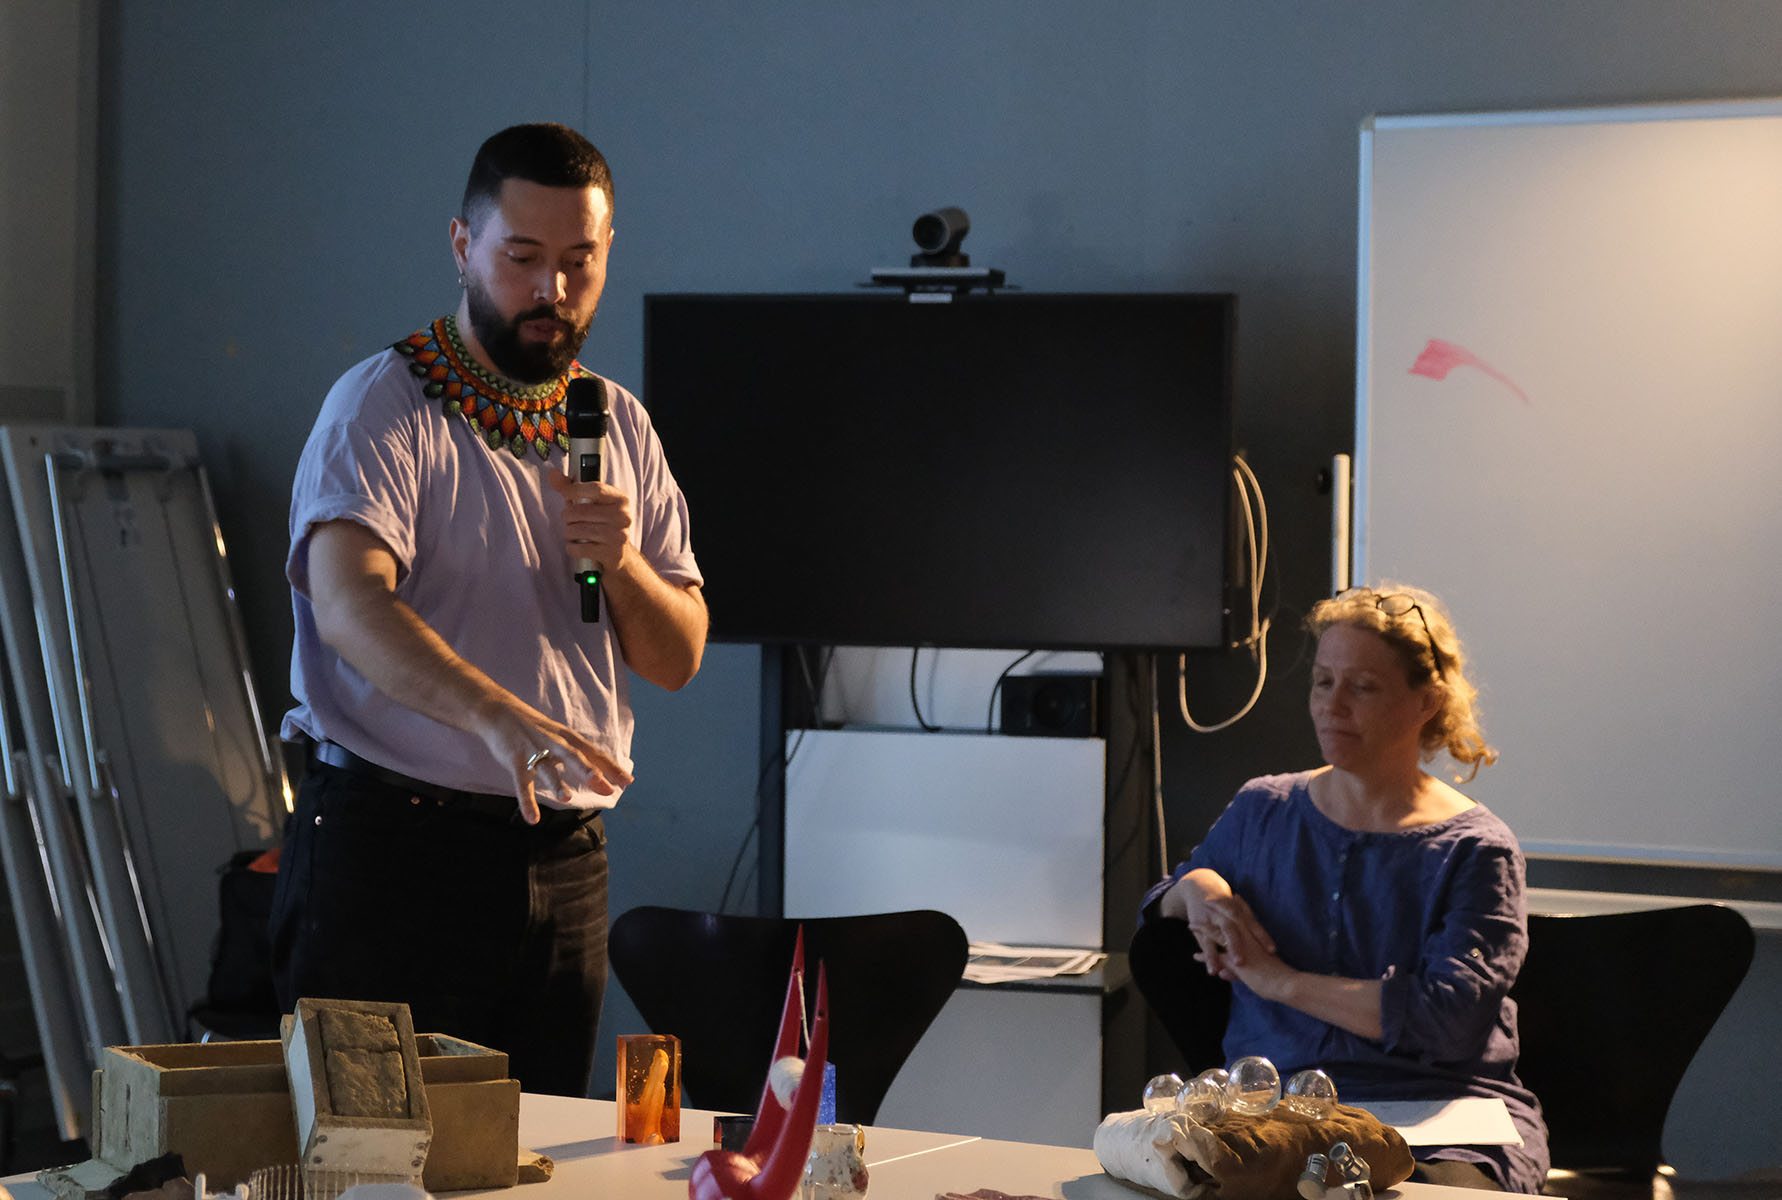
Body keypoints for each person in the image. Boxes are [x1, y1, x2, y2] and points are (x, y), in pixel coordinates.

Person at [269, 122, 707, 1098]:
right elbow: (347, 606)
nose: (552, 290)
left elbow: (676, 657)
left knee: (532, 1146)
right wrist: (497, 716)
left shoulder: (617, 423)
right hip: (394, 849)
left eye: (578, 261)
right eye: (522, 258)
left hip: (565, 857)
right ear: (464, 246)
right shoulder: (381, 405)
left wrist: (621, 566)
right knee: (373, 1151)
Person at [1142, 585, 1548, 1192]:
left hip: (1437, 1118)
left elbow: (1448, 1021)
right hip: (1276, 1115)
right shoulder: (1262, 809)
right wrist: (1197, 886)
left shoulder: (1476, 848)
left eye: (1362, 687)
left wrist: (1281, 982)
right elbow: (1161, 908)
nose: (1332, 706)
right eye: (1323, 682)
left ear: (1426, 702)